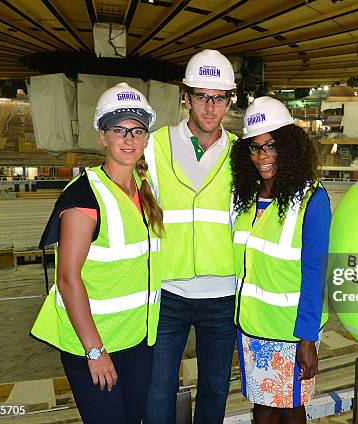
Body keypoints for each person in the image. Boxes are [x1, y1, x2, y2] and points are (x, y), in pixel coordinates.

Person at [31, 83, 163, 424]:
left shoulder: (143, 191)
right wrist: (95, 351)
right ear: (102, 136)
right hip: (94, 345)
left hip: (136, 341)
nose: (129, 138)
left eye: (137, 130)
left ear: (146, 138)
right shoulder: (84, 196)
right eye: (118, 129)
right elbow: (67, 278)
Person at [144, 49, 238, 424]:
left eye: (219, 98)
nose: (211, 108)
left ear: (229, 101)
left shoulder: (242, 153)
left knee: (215, 388)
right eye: (202, 96)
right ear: (187, 98)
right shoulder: (154, 145)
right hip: (170, 292)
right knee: (159, 389)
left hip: (223, 294)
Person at [230, 97, 331, 424]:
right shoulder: (246, 198)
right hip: (253, 330)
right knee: (262, 408)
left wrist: (307, 338)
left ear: (288, 146)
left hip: (292, 333)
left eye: (271, 146)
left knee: (290, 408)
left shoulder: (312, 199)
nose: (262, 157)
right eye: (255, 148)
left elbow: (315, 274)